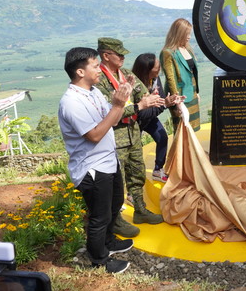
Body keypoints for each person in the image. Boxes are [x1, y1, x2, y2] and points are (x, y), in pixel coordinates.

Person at [57, 47, 134, 274]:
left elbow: (113, 119)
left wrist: (123, 98)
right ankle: (99, 260)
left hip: (108, 161)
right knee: (99, 217)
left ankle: (108, 242)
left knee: (114, 205)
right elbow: (94, 135)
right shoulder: (71, 102)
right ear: (80, 71)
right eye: (95, 65)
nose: (100, 69)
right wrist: (118, 105)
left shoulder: (94, 92)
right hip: (92, 167)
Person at [95, 37, 165, 226]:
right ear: (106, 55)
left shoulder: (126, 74)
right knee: (116, 179)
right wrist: (138, 105)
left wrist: (159, 100)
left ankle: (140, 210)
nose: (123, 58)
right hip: (114, 137)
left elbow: (143, 95)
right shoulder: (99, 80)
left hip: (133, 132)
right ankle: (115, 220)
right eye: (119, 54)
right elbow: (109, 111)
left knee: (137, 173)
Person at [132, 53, 182, 183]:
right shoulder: (134, 85)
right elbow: (141, 114)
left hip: (150, 117)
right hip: (134, 123)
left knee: (162, 138)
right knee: (135, 151)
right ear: (146, 71)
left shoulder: (154, 79)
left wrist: (170, 101)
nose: (159, 71)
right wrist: (164, 104)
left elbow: (162, 99)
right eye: (157, 69)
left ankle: (158, 169)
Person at [160, 18, 200, 133]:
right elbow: (170, 78)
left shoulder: (187, 49)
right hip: (180, 96)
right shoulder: (168, 52)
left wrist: (197, 92)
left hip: (192, 93)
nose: (189, 37)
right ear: (178, 33)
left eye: (189, 34)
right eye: (186, 34)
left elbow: (193, 72)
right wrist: (177, 100)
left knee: (193, 128)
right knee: (182, 129)